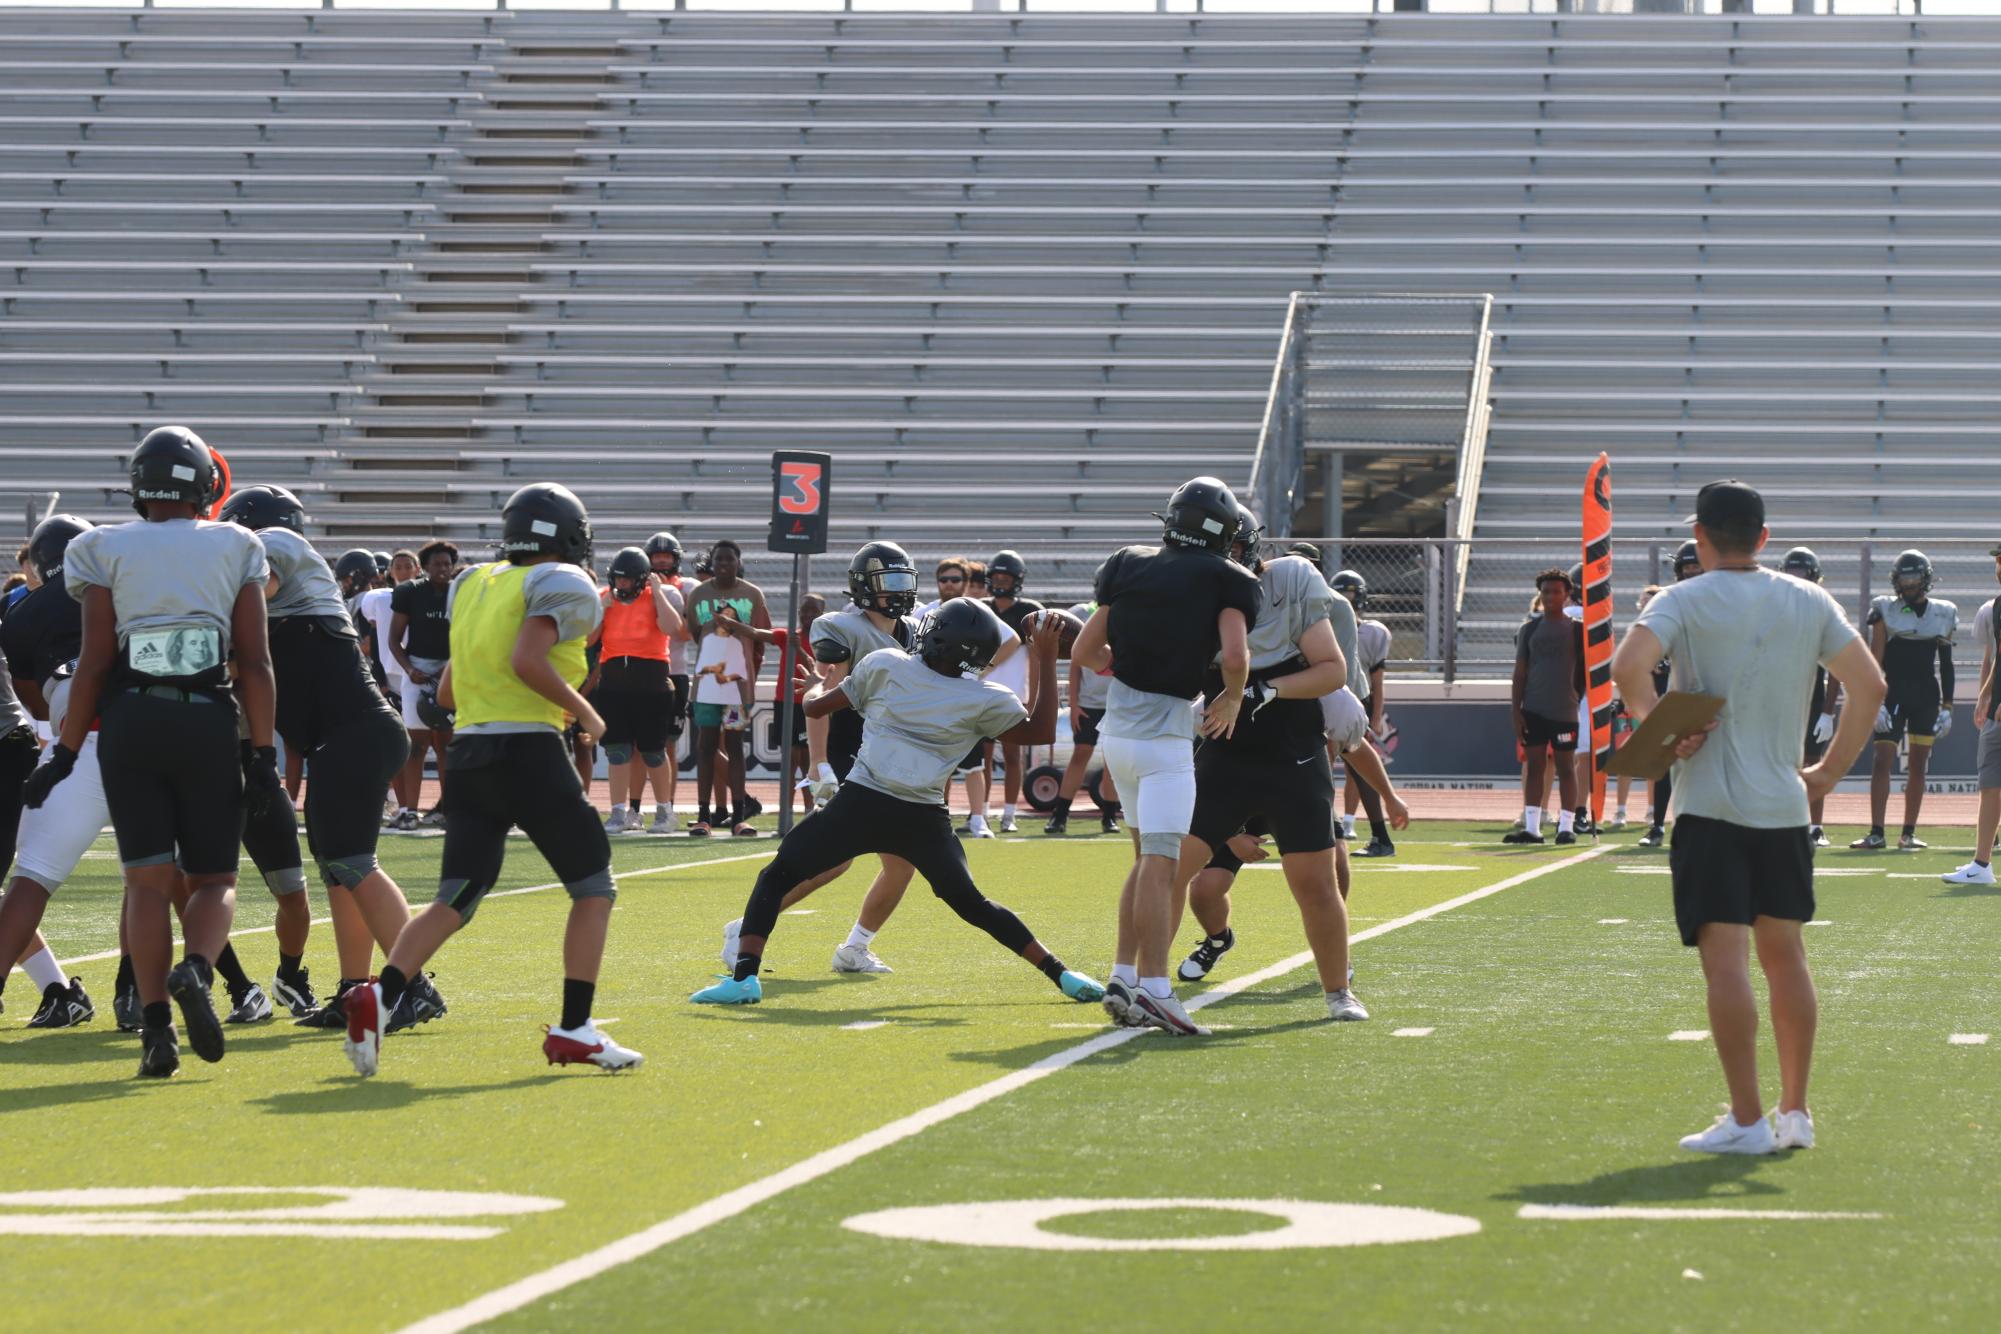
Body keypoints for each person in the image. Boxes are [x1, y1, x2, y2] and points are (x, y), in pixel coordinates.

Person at [1612, 479, 1884, 1155]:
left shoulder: (1682, 596)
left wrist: (1659, 725)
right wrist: (1824, 773)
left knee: (1725, 964)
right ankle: (1795, 1113)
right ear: (1762, 537)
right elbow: (1870, 685)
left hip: (1708, 807)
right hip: (1784, 808)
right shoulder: (1807, 596)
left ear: (1698, 536)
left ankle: (1745, 1119)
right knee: (1786, 957)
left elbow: (1627, 668)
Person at [342, 482, 636, 1076]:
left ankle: (382, 993)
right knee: (593, 886)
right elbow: (526, 660)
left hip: (471, 753)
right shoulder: (565, 581)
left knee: (456, 897)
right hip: (527, 748)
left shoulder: (475, 581)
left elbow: (447, 689)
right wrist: (585, 711)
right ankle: (575, 1029)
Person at [691, 599, 1103, 1008]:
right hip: (921, 817)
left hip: (862, 803)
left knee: (775, 876)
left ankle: (745, 977)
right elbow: (1042, 729)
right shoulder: (983, 697)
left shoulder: (887, 664)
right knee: (974, 905)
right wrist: (1046, 659)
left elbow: (816, 706)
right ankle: (1062, 974)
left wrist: (819, 685)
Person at [25, 426, 282, 1079]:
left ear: (139, 488)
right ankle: (196, 969)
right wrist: (260, 752)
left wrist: (65, 750)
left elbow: (93, 664)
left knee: (145, 882)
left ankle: (157, 1030)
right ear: (205, 486)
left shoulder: (101, 547)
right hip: (204, 721)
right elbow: (253, 661)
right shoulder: (235, 544)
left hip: (131, 722)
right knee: (215, 880)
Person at [216, 485, 446, 1035]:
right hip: (345, 738)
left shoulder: (275, 544)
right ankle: (356, 988)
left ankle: (410, 985)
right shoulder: (284, 565)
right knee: (339, 871)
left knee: (351, 865)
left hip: (354, 734)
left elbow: (255, 590)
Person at [1074, 476, 1262, 1036]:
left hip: (1119, 734)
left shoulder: (1128, 562)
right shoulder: (1231, 578)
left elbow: (1086, 650)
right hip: (1164, 739)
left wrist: (1125, 669)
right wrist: (1230, 697)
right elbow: (1234, 654)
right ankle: (1156, 988)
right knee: (1161, 864)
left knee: (1142, 861)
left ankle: (1123, 975)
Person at [1166, 512, 1368, 1024]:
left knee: (1316, 884)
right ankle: (1145, 981)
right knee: (1168, 873)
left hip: (1291, 753)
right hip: (1222, 752)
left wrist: (1264, 690)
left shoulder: (1290, 578)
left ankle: (1337, 989)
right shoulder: (1190, 590)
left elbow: (1331, 668)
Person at [725, 542, 925, 975]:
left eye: (902, 582)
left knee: (903, 860)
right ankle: (745, 928)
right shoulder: (843, 628)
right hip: (847, 741)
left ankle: (855, 947)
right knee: (833, 859)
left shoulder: (913, 627)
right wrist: (819, 763)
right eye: (887, 583)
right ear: (863, 587)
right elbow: (818, 695)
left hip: (886, 745)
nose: (898, 592)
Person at [1180, 681, 1411, 987]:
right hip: (1238, 798)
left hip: (1301, 794)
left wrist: (1390, 797)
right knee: (1204, 890)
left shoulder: (1328, 695)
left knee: (1335, 864)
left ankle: (1335, 948)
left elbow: (1354, 748)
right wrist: (1232, 836)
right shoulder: (1222, 697)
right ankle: (1218, 940)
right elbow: (1197, 769)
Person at [0, 514, 95, 1028]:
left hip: (13, 746)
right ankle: (62, 992)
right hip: (38, 741)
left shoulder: (25, 614)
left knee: (27, 876)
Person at [1854, 549, 1956, 851]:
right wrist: (1876, 699)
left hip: (1926, 694)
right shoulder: (1885, 610)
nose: (1909, 584)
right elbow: (1877, 658)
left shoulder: (1943, 612)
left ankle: (1908, 833)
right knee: (1882, 759)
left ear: (1925, 579)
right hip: (1893, 692)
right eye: (1904, 578)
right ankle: (1876, 832)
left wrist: (1948, 707)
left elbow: (1946, 663)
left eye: (1913, 577)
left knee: (1919, 765)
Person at [591, 546, 684, 836]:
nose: (622, 585)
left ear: (641, 579)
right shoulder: (604, 598)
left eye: (628, 580)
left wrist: (657, 593)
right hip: (614, 683)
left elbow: (672, 628)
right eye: (618, 579)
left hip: (651, 683)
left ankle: (664, 812)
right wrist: (600, 611)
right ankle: (619, 813)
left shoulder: (662, 594)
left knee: (653, 751)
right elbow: (585, 641)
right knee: (617, 751)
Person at [685, 540, 772, 837]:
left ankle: (738, 817)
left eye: (729, 559)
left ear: (738, 562)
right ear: (712, 562)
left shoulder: (752, 595)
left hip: (737, 688)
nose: (724, 563)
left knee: (735, 747)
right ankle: (703, 816)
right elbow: (698, 635)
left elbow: (761, 639)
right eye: (719, 559)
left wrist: (749, 676)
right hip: (706, 689)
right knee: (705, 747)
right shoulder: (698, 594)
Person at [1507, 568, 1586, 845]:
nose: (1551, 596)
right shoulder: (1529, 630)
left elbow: (1586, 671)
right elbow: (1520, 673)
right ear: (1540, 595)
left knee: (1566, 767)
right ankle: (1532, 827)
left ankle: (1566, 827)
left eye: (1556, 591)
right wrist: (1516, 710)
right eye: (1546, 591)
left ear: (1567, 595)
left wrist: (1576, 695)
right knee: (1535, 766)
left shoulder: (1578, 631)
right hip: (1534, 710)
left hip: (1564, 711)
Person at [1637, 543, 1705, 848]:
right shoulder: (1669, 601)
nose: (1691, 575)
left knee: (1706, 764)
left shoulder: (1714, 600)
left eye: (1696, 569)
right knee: (1664, 762)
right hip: (1673, 691)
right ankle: (1657, 825)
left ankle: (1700, 825)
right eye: (1687, 570)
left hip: (1707, 691)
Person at [390, 540, 458, 830]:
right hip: (417, 668)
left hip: (451, 668)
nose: (443, 569)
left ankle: (448, 809)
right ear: (425, 567)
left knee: (447, 743)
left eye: (447, 563)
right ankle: (409, 809)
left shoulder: (461, 591)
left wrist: (451, 667)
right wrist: (409, 669)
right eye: (437, 564)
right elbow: (394, 639)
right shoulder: (410, 592)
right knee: (415, 744)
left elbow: (468, 634)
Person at [1944, 542, 2001, 886]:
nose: (1999, 565)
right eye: (1998, 560)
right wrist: (1985, 696)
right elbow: (1997, 658)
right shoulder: (1995, 608)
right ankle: (1982, 864)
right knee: (1990, 785)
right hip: (1996, 712)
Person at [1779, 548, 1843, 847]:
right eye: (1791, 575)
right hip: (1779, 695)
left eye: (1801, 575)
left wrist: (1828, 711)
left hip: (1812, 696)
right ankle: (1784, 824)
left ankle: (1815, 826)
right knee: (1781, 764)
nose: (1796, 581)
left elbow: (1838, 665)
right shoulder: (1774, 608)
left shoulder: (1823, 610)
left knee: (1813, 763)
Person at [1331, 569, 1397, 858]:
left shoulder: (1372, 632)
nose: (1347, 601)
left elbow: (1377, 679)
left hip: (1353, 698)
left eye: (1351, 595)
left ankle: (1375, 836)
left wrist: (1376, 714)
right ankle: (1364, 832)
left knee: (1358, 769)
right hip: (1332, 695)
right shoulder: (1325, 624)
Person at [1044, 598, 1122, 837]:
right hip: (1089, 701)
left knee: (1113, 761)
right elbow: (1076, 663)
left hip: (1117, 701)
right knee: (1081, 754)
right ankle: (1060, 815)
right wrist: (1075, 703)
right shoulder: (1084, 613)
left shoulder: (1129, 613)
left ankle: (1109, 816)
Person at [981, 550, 1045, 833]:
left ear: (1016, 580)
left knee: (1012, 756)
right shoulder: (981, 607)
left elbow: (1035, 657)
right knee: (981, 756)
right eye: (997, 577)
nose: (1001, 582)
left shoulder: (1027, 610)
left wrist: (1032, 694)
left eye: (1006, 578)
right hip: (980, 692)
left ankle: (1009, 813)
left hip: (1013, 693)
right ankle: (979, 811)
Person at [361, 549, 420, 821]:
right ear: (390, 572)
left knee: (426, 744)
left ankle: (424, 806)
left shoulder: (430, 596)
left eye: (409, 566)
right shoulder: (379, 599)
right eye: (399, 566)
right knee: (397, 743)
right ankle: (400, 803)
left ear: (417, 569)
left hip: (422, 675)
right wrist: (381, 682)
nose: (404, 570)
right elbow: (374, 643)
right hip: (392, 677)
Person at [646, 531, 696, 825]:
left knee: (668, 744)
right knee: (642, 746)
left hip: (675, 670)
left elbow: (683, 633)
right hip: (645, 669)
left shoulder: (686, 587)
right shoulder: (639, 586)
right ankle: (636, 807)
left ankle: (668, 805)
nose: (662, 561)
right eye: (657, 556)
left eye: (667, 557)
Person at [771, 592, 822, 819]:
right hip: (785, 702)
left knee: (807, 760)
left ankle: (810, 812)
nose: (808, 615)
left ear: (822, 614)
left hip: (810, 704)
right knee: (789, 760)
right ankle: (787, 812)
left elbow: (814, 667)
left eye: (814, 611)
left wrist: (798, 649)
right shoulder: (788, 636)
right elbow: (756, 633)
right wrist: (732, 623)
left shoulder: (824, 641)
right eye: (805, 611)